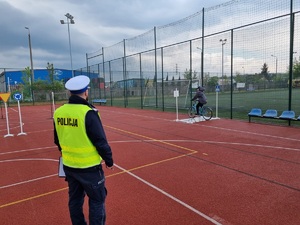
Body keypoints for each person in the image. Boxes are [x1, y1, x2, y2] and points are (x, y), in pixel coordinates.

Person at [53, 75, 114, 225]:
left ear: (69, 93)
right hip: (90, 168)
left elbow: (57, 140)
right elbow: (100, 141)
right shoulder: (88, 112)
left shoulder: (59, 112)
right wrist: (109, 160)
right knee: (97, 200)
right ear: (86, 92)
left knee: (75, 200)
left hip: (69, 166)